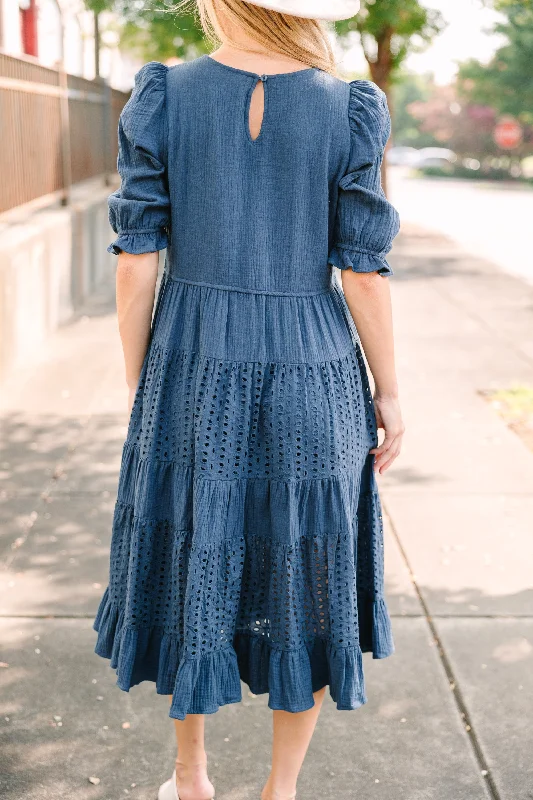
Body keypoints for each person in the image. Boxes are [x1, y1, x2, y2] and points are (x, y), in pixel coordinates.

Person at [92, 0, 404, 797]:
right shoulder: (350, 108)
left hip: (191, 365)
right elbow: (362, 271)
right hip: (316, 368)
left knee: (191, 555)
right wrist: (390, 392)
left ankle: (191, 777)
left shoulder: (163, 93)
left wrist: (142, 381)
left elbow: (136, 261)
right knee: (309, 577)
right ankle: (279, 790)